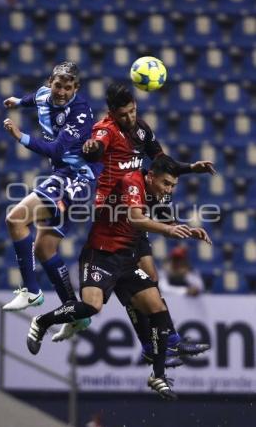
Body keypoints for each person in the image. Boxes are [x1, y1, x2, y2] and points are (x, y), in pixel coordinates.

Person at [26, 155, 211, 401]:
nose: (169, 190)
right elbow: (135, 218)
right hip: (101, 254)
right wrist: (168, 229)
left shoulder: (159, 190)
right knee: (92, 306)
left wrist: (186, 230)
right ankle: (42, 321)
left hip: (126, 259)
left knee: (156, 306)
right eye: (166, 184)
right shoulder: (132, 182)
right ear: (151, 176)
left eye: (173, 186)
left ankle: (158, 375)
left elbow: (166, 217)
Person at [53, 83, 212, 367]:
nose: (129, 118)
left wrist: (190, 168)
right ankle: (156, 344)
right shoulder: (105, 130)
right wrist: (91, 149)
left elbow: (161, 160)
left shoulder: (140, 129)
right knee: (136, 281)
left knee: (148, 276)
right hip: (114, 209)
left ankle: (165, 342)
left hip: (136, 203)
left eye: (133, 111)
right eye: (123, 114)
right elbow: (95, 148)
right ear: (112, 112)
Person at [2, 62, 100, 340]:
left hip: (78, 177)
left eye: (68, 87)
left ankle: (32, 293)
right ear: (50, 82)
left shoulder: (79, 113)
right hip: (63, 174)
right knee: (44, 248)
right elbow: (35, 98)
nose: (61, 92)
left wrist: (20, 136)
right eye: (58, 85)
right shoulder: (45, 93)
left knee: (15, 219)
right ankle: (74, 312)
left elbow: (56, 150)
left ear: (76, 89)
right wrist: (18, 101)